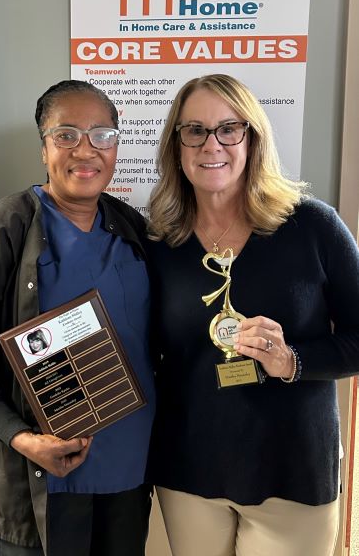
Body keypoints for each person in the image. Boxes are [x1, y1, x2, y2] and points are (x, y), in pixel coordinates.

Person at [0, 80, 155, 556]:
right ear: (44, 148)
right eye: (66, 134)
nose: (85, 150)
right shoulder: (2, 228)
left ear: (116, 146)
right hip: (37, 487)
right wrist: (20, 437)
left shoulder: (132, 229)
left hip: (127, 481)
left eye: (101, 135)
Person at [145, 73, 359, 556]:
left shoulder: (313, 226)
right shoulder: (160, 241)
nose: (211, 144)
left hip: (291, 468)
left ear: (252, 138)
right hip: (189, 468)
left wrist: (292, 361)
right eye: (194, 130)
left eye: (228, 129)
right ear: (176, 145)